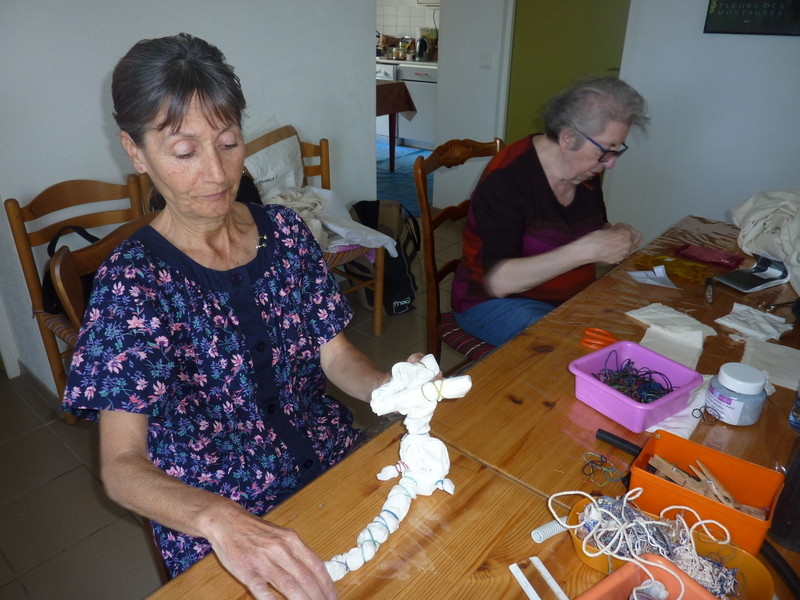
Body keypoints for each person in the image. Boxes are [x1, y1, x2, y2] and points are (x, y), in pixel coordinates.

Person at [62, 33, 419, 600]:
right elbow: (122, 466)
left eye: (228, 143)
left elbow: (335, 353)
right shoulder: (132, 283)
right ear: (136, 151)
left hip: (328, 455)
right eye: (184, 152)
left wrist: (388, 387)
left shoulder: (287, 234)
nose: (217, 174)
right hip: (216, 509)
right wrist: (219, 521)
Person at [450, 76, 649, 347]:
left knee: (636, 332)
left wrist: (613, 237)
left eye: (617, 150)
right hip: (493, 303)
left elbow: (592, 230)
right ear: (568, 138)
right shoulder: (508, 179)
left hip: (568, 296)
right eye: (606, 150)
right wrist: (587, 250)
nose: (610, 163)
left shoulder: (586, 171)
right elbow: (500, 281)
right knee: (574, 354)